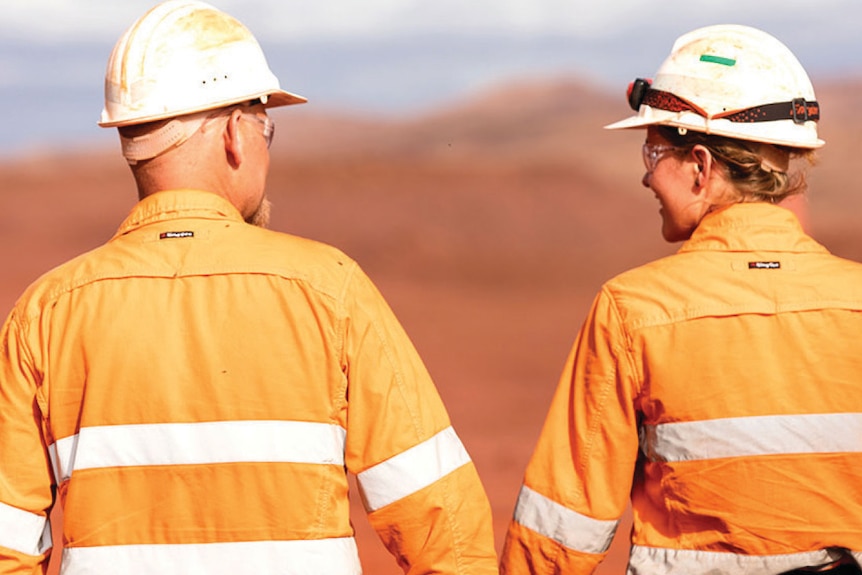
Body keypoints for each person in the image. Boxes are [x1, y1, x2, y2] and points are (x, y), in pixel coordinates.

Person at [0, 1, 498, 573]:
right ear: (237, 133)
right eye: (267, 127)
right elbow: (442, 525)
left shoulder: (46, 313)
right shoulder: (328, 292)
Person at [500, 24, 862, 575]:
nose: (646, 176)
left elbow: (561, 529)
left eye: (654, 151)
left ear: (700, 166)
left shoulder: (632, 311)